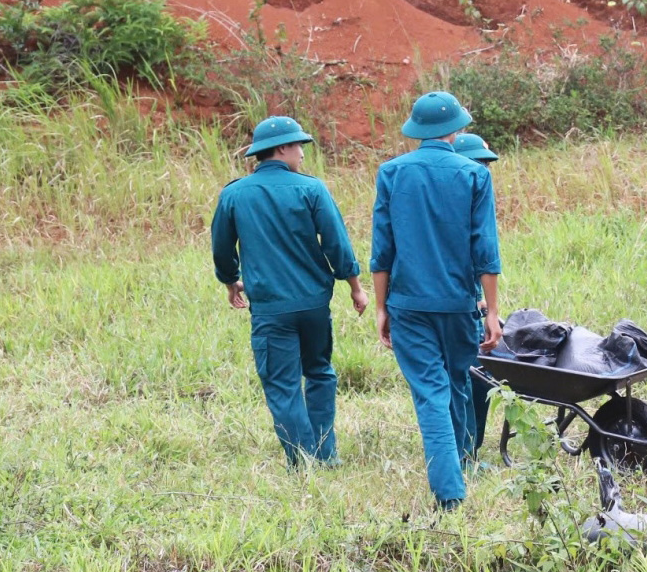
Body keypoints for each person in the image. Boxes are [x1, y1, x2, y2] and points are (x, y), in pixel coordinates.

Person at [210, 116, 367, 467]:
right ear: (281, 149)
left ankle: (304, 460)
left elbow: (222, 248)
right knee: (320, 371)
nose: (302, 153)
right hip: (313, 305)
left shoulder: (233, 194)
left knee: (282, 385)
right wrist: (355, 286)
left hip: (270, 310)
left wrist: (230, 280)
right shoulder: (312, 189)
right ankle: (325, 454)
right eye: (298, 146)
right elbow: (337, 243)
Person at [372, 91, 502, 511]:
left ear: (417, 131)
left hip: (407, 305)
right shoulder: (474, 175)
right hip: (459, 302)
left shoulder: (391, 172)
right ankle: (461, 465)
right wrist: (493, 311)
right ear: (457, 129)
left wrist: (380, 307)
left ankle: (451, 491)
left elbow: (382, 249)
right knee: (459, 381)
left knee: (432, 393)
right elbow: (485, 249)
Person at [453, 132, 500, 458]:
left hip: (463, 299)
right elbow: (483, 252)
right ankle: (466, 450)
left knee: (474, 378)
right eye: (479, 163)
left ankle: (467, 446)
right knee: (472, 377)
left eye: (486, 164)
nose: (484, 170)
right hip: (458, 305)